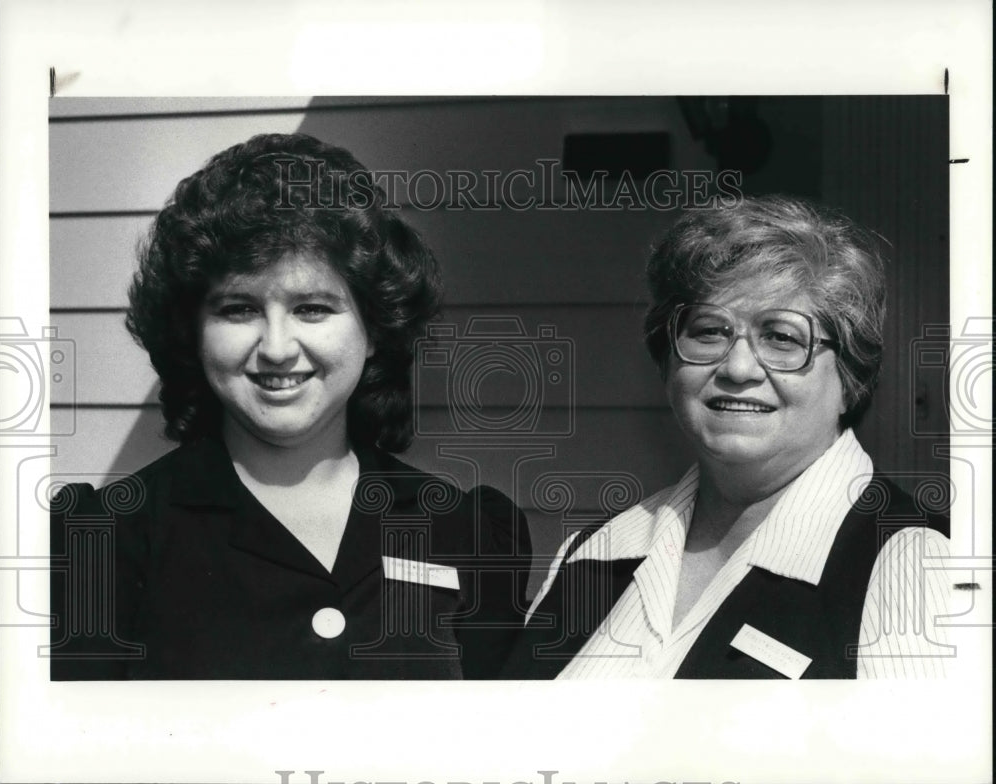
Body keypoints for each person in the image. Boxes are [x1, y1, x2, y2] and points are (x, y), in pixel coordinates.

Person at [49, 133, 530, 680]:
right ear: (193, 332)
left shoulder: (461, 529)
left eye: (312, 308)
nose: (276, 347)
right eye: (238, 308)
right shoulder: (107, 539)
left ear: (375, 328)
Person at [501, 195, 951, 679]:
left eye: (782, 337)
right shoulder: (594, 554)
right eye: (710, 331)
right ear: (668, 362)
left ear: (851, 378)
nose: (737, 368)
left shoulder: (917, 567)